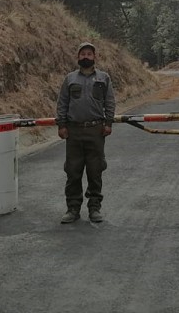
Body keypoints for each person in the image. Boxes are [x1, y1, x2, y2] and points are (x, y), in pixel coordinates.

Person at [56, 42, 116, 224]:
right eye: (83, 54)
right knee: (73, 171)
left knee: (95, 170)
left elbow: (110, 101)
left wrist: (108, 123)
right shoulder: (70, 79)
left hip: (95, 131)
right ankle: (73, 209)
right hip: (73, 132)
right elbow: (62, 103)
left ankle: (94, 208)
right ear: (78, 57)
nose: (86, 57)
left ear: (94, 57)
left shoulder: (104, 78)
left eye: (89, 54)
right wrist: (61, 125)